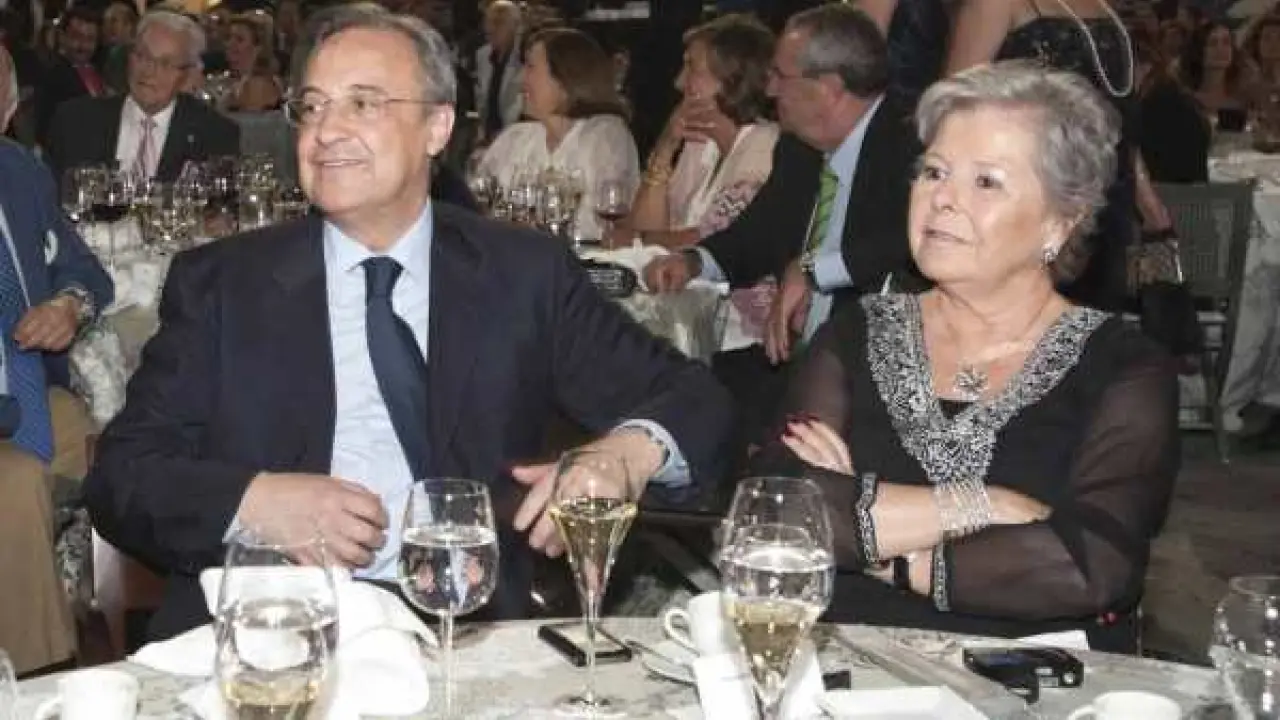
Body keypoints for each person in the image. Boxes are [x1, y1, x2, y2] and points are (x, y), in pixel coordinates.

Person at [84, 2, 731, 641]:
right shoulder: (226, 284)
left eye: (363, 103)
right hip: (270, 630)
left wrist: (626, 454)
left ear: (437, 127)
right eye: (312, 106)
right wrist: (253, 502)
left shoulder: (521, 275)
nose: (326, 130)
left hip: (464, 633)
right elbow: (121, 476)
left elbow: (698, 400)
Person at [752, 62, 1179, 653]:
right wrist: (977, 505)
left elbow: (1089, 566)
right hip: (846, 666)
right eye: (934, 172)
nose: (943, 199)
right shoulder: (859, 333)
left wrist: (874, 545)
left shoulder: (1124, 367)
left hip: (1029, 680)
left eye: (986, 182)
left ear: (1060, 222)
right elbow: (776, 508)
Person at [643, 4, 919, 450]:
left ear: (828, 89)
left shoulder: (911, 145)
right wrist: (695, 260)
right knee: (665, 397)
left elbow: (912, 240)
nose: (769, 88)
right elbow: (758, 235)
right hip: (789, 359)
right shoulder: (799, 148)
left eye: (780, 75)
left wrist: (814, 270)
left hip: (870, 375)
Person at [947, 0, 1173, 313]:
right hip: (1038, 197)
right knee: (1032, 322)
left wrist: (1149, 202)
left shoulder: (1103, 6)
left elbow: (1121, 119)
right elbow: (956, 109)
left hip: (1111, 202)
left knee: (1097, 323)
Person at [0, 94, 115, 671]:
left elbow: (83, 268)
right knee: (17, 486)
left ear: (8, 107)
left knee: (122, 450)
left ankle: (117, 616)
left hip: (26, 388)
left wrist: (68, 304)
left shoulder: (19, 170)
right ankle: (38, 677)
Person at [476, 27, 639, 241]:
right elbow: (478, 203)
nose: (520, 78)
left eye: (530, 67)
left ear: (564, 79)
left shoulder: (604, 135)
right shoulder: (515, 138)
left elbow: (599, 224)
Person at [45, 10, 239, 186]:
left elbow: (219, 206)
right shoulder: (74, 121)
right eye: (143, 56)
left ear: (186, 75)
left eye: (165, 63)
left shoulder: (215, 135)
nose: (148, 71)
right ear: (129, 58)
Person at [36, 6, 103, 146]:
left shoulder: (98, 72)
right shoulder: (52, 75)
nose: (83, 45)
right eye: (77, 37)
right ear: (62, 37)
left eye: (90, 39)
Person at [474, 0, 522, 144]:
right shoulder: (482, 56)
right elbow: (481, 101)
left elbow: (517, 109)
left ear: (515, 27)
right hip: (487, 136)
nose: (491, 28)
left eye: (499, 22)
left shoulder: (523, 59)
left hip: (513, 137)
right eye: (488, 22)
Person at [220, 11, 282, 112]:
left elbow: (249, 120)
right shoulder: (232, 80)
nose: (230, 44)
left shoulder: (260, 85)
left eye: (239, 39)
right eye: (228, 37)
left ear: (258, 47)